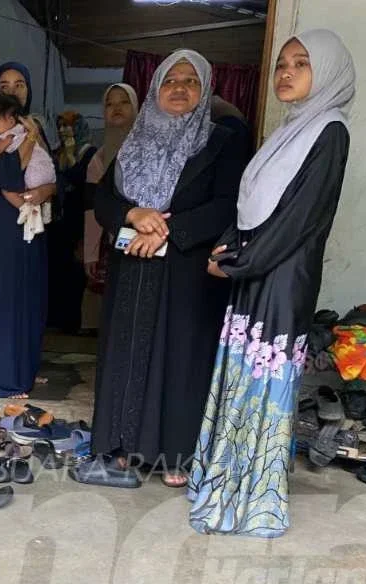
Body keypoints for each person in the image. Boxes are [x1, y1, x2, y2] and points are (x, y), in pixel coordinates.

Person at [190, 30, 355, 538]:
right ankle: (224, 485)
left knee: (264, 389)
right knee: (243, 383)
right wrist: (229, 249)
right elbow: (253, 204)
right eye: (282, 63)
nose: (285, 72)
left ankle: (254, 502)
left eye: (300, 64)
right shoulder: (290, 130)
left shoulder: (330, 131)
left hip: (283, 280)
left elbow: (298, 219)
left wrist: (237, 263)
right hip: (259, 270)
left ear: (325, 73)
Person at [75, 50, 249, 488]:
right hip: (133, 268)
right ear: (155, 88)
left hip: (185, 272)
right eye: (171, 79)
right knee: (127, 353)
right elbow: (104, 199)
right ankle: (119, 447)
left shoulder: (221, 141)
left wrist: (168, 231)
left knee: (179, 357)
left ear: (205, 90)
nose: (179, 88)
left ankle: (176, 454)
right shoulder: (136, 140)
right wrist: (134, 216)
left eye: (191, 81)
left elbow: (228, 203)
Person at [0, 61, 56, 399]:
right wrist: (27, 142)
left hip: (29, 228)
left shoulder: (34, 125)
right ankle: (1, 379)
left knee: (28, 300)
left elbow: (52, 174)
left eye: (20, 83)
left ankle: (23, 372)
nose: (12, 89)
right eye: (4, 84)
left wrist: (44, 191)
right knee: (1, 301)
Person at [83, 84, 139, 314]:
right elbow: (91, 209)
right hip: (113, 245)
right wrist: (90, 253)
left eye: (124, 102)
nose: (116, 108)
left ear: (136, 108)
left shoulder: (150, 152)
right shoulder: (97, 160)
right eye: (109, 104)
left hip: (147, 242)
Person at [0, 93, 57, 243]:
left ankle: (27, 209)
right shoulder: (28, 128)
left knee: (8, 190)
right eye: (5, 86)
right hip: (47, 173)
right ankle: (45, 211)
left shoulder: (7, 137)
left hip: (33, 177)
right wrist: (49, 189)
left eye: (19, 85)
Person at [52, 111, 97, 334]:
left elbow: (83, 185)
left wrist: (71, 159)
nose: (63, 131)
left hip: (81, 223)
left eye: (68, 126)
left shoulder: (91, 155)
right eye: (60, 126)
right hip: (61, 226)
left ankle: (76, 323)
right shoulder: (57, 155)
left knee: (78, 275)